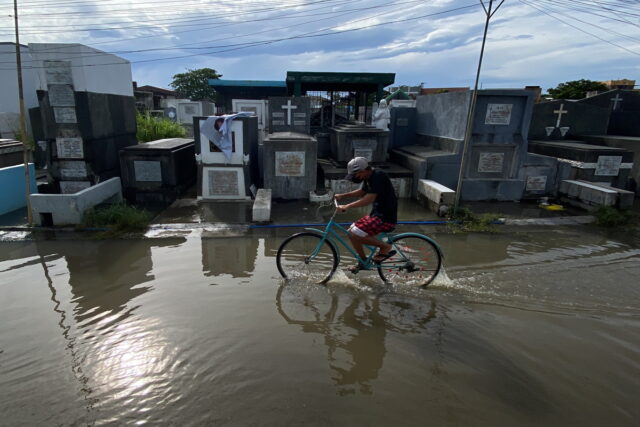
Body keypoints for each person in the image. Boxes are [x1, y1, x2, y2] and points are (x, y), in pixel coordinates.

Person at [335, 157, 398, 273]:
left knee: (356, 232)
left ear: (364, 170)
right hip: (376, 215)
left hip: (385, 218)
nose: (356, 178)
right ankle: (363, 261)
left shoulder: (378, 176)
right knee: (350, 232)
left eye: (357, 175)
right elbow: (362, 192)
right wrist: (343, 196)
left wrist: (347, 206)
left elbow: (368, 199)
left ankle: (385, 247)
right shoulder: (369, 177)